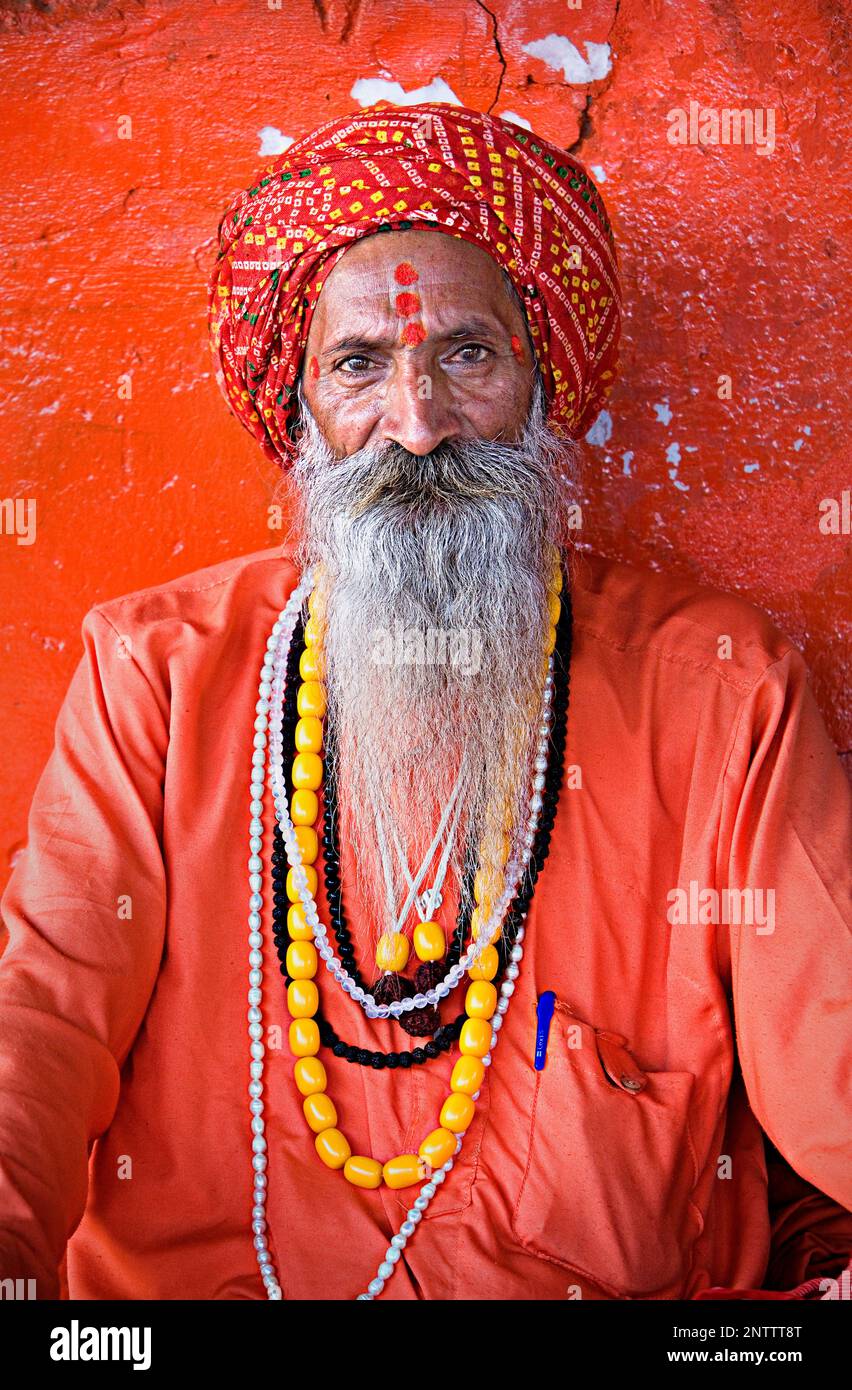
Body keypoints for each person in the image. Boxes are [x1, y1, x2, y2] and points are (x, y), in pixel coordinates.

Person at [0, 102, 849, 1302]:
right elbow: (41, 1013)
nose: (416, 424)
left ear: (541, 386)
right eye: (360, 364)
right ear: (301, 411)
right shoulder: (159, 676)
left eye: (466, 354)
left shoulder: (716, 691)